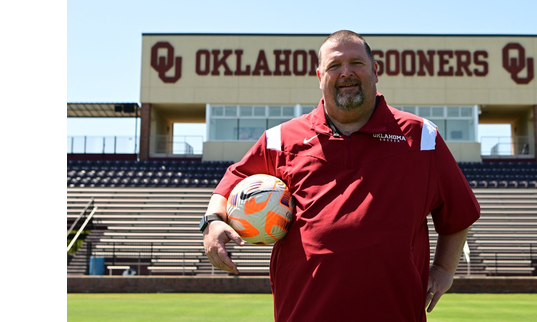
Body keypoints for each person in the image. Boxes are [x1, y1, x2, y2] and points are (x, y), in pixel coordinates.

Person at [202, 30, 480, 321]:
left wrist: (444, 270)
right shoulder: (280, 140)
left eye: (356, 63)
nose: (345, 73)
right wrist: (212, 222)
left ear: (375, 71)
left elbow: (458, 213)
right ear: (320, 77)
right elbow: (232, 180)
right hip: (303, 312)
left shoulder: (421, 137)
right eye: (334, 66)